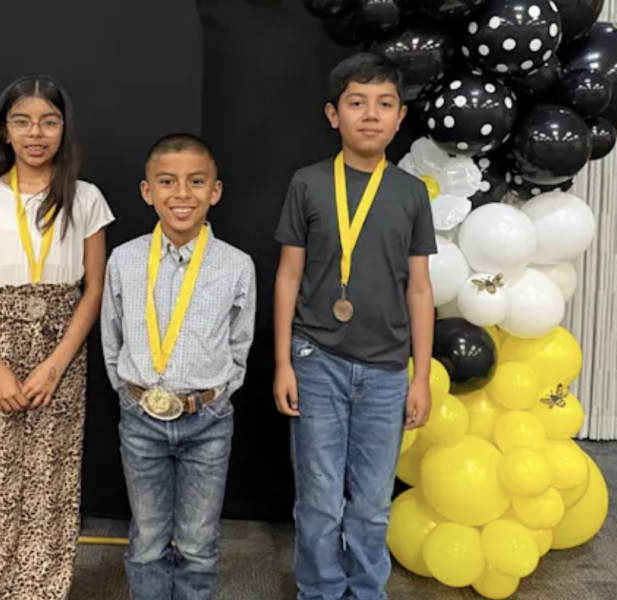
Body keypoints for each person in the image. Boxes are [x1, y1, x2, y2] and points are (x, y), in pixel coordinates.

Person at [272, 52, 438, 600]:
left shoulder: (411, 193)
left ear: (400, 117)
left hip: (387, 370)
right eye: (357, 103)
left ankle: (366, 591)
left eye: (384, 104)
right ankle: (319, 591)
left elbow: (419, 288)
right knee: (320, 500)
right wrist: (282, 363)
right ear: (333, 114)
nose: (371, 114)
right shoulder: (308, 183)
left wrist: (420, 376)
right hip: (316, 360)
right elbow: (289, 276)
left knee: (370, 504)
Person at [0, 75, 115, 600]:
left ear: (64, 129)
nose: (35, 133)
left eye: (48, 122)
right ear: (5, 130)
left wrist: (56, 364)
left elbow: (93, 289)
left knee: (53, 478)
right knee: (2, 479)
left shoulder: (85, 198)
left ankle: (44, 591)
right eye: (22, 122)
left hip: (61, 345)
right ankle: (1, 590)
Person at [101, 133, 257, 600]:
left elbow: (240, 341)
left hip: (208, 420)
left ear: (216, 190)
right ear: (147, 190)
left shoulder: (236, 265)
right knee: (147, 539)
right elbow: (111, 335)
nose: (182, 194)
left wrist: (218, 394)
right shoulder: (124, 260)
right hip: (140, 418)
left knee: (198, 543)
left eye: (196, 181)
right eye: (167, 181)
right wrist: (129, 392)